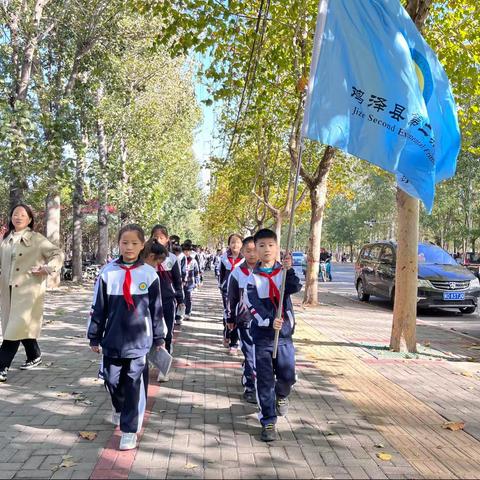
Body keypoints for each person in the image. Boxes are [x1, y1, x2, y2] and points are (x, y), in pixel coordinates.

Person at [87, 224, 166, 451]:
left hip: (139, 341)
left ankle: (129, 430)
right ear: (118, 244)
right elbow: (98, 307)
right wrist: (94, 335)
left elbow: (157, 310)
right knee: (112, 381)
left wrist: (159, 339)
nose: (129, 247)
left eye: (134, 243)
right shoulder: (108, 273)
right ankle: (119, 408)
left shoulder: (149, 274)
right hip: (112, 340)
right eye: (124, 242)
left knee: (133, 383)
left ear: (142, 245)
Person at [245, 228, 302, 442]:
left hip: (285, 336)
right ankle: (268, 420)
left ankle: (283, 394)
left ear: (277, 248)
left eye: (270, 245)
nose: (266, 249)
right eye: (261, 246)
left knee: (288, 375)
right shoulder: (252, 279)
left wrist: (291, 270)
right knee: (265, 381)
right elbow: (252, 305)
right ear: (255, 250)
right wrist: (269, 321)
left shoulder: (284, 272)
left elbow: (294, 287)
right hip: (263, 338)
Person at [0, 204, 64, 383]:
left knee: (13, 329)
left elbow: (57, 253)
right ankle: (34, 355)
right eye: (15, 214)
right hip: (8, 290)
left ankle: (1, 367)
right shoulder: (6, 238)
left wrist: (47, 268)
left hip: (28, 291)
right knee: (18, 326)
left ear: (29, 219)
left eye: (22, 215)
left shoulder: (36, 239)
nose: (18, 217)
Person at [227, 236, 258, 400]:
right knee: (250, 353)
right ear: (243, 252)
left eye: (255, 250)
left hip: (265, 322)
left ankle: (252, 374)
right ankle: (250, 388)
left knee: (259, 355)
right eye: (248, 251)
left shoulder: (269, 271)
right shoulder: (237, 272)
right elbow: (231, 298)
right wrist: (230, 318)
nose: (252, 254)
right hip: (245, 320)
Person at [150, 225, 185, 362]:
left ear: (167, 239)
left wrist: (180, 298)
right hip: (150, 301)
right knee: (152, 331)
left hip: (168, 299)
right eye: (155, 237)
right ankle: (152, 358)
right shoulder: (146, 258)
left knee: (167, 332)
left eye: (161, 237)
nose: (158, 240)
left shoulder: (172, 258)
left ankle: (165, 361)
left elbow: (177, 280)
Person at [219, 234, 244, 352]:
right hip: (226, 291)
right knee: (228, 313)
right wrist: (222, 286)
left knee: (238, 313)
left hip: (241, 290)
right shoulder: (224, 258)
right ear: (229, 244)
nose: (235, 245)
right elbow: (221, 274)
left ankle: (234, 342)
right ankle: (227, 333)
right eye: (233, 242)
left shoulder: (245, 258)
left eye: (238, 242)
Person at [181, 243, 200, 319]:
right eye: (185, 251)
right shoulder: (180, 259)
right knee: (182, 298)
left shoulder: (193, 261)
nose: (187, 252)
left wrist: (197, 282)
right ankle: (180, 314)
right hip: (181, 282)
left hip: (190, 283)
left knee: (188, 298)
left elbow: (196, 272)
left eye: (188, 251)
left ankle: (187, 312)